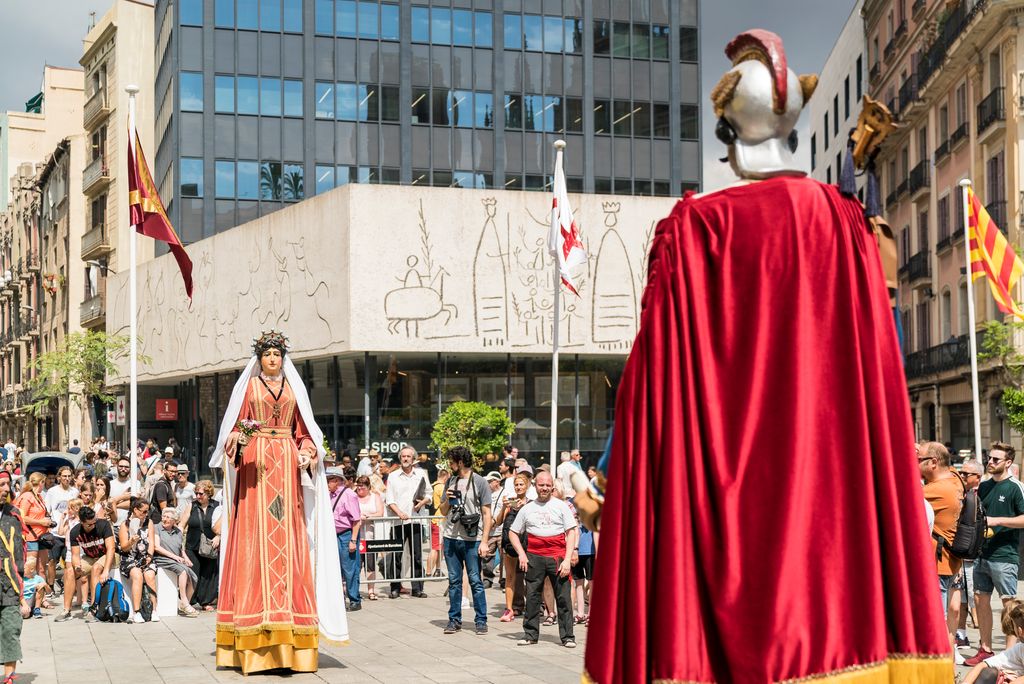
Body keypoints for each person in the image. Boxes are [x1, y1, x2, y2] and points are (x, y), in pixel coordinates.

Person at [584, 28, 952, 684]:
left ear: (727, 135)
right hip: (828, 531)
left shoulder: (690, 232)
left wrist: (614, 474)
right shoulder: (846, 227)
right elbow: (882, 367)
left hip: (711, 534)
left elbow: (646, 386)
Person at [210, 330, 346, 674]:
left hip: (285, 465)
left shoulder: (294, 391)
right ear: (259, 359)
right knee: (253, 543)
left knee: (290, 543)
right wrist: (239, 438)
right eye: (267, 355)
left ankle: (292, 641)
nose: (272, 359)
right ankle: (253, 640)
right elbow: (234, 430)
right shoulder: (250, 389)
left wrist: (308, 451)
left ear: (284, 358)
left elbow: (305, 431)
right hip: (256, 468)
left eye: (277, 354)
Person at [966, 442, 1024, 665]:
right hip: (982, 554)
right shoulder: (984, 486)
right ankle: (985, 649)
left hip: (1005, 555)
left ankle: (1010, 655)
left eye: (995, 459)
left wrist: (999, 521)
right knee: (980, 600)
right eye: (988, 458)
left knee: (1009, 604)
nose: (990, 462)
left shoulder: (1015, 487)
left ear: (1008, 463)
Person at [509, 471, 578, 648]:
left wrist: (568, 558)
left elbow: (571, 531)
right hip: (534, 557)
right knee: (532, 596)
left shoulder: (561, 506)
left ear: (552, 487)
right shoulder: (527, 508)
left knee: (563, 598)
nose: (545, 488)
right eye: (541, 485)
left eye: (548, 485)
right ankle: (530, 634)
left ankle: (568, 636)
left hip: (558, 556)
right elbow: (513, 532)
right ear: (535, 486)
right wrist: (522, 554)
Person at [438, 446, 492, 635]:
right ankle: (454, 620)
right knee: (454, 581)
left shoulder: (480, 482)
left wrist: (484, 541)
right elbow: (443, 510)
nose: (449, 465)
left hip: (472, 538)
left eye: (451, 462)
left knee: (476, 580)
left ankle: (481, 620)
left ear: (460, 462)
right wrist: (447, 499)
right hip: (451, 536)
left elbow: (487, 513)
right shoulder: (450, 481)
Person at [918, 441, 964, 663]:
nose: (915, 464)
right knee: (947, 623)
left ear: (934, 463)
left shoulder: (934, 491)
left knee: (935, 622)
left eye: (919, 460)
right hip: (952, 562)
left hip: (937, 565)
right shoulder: (956, 479)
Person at [384, 445, 431, 600]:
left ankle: (417, 588)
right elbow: (390, 499)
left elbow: (429, 495)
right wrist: (399, 513)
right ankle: (395, 587)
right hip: (397, 521)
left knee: (417, 555)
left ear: (413, 458)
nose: (405, 459)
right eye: (403, 456)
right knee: (396, 555)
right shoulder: (393, 476)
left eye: (408, 456)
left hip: (416, 520)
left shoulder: (421, 474)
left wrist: (422, 502)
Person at [55, 506, 115, 622]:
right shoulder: (75, 531)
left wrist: (106, 570)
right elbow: (75, 555)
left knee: (96, 568)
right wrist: (77, 567)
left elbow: (111, 548)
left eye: (94, 522)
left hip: (107, 556)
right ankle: (66, 610)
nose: (93, 525)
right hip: (89, 557)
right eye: (89, 524)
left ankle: (93, 609)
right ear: (82, 522)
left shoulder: (103, 524)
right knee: (69, 571)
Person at [495, 472, 530, 622]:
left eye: (521, 484)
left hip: (527, 545)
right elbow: (497, 522)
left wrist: (526, 507)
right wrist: (504, 508)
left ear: (527, 486)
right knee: (510, 577)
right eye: (516, 485)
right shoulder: (510, 504)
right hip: (509, 546)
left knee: (531, 578)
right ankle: (509, 609)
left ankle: (532, 607)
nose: (518, 487)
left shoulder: (531, 504)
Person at [181, 479, 221, 611]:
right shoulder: (191, 506)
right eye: (196, 493)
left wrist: (218, 536)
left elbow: (223, 526)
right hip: (192, 545)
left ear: (209, 493)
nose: (198, 496)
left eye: (201, 494)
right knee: (193, 573)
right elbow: (182, 524)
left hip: (211, 545)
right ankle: (189, 600)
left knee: (209, 574)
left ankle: (206, 601)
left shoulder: (217, 506)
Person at [958, 459, 985, 649]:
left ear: (977, 477)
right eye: (962, 472)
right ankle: (962, 635)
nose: (962, 476)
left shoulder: (982, 493)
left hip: (978, 556)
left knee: (977, 598)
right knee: (960, 600)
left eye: (966, 474)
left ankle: (985, 641)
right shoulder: (960, 493)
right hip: (962, 555)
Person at [327, 467, 363, 611]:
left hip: (347, 534)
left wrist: (353, 540)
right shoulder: (329, 495)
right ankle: (339, 598)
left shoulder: (349, 495)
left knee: (350, 569)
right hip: (334, 534)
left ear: (336, 480)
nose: (326, 483)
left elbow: (356, 520)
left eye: (328, 480)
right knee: (336, 568)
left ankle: (354, 600)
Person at [0, 472, 24, 683]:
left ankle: (9, 676)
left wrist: (21, 578)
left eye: (8, 484)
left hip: (9, 581)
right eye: (1, 484)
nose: (6, 489)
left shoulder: (14, 514)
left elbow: (19, 549)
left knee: (10, 626)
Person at [118, 498, 159, 623]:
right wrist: (131, 541)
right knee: (137, 575)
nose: (146, 514)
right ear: (135, 510)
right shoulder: (125, 525)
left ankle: (154, 610)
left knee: (150, 574)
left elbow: (151, 542)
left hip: (144, 557)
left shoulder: (149, 522)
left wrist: (150, 556)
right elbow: (124, 547)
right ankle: (136, 612)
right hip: (129, 557)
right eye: (144, 511)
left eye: (148, 511)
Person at [152, 507, 198, 617]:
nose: (165, 519)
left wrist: (186, 558)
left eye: (168, 517)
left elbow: (181, 550)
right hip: (162, 558)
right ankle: (184, 601)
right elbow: (156, 547)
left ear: (174, 520)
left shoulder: (178, 532)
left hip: (175, 560)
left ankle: (184, 603)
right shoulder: (156, 528)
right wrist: (175, 557)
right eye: (164, 516)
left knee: (194, 577)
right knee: (182, 571)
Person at [962, 601, 1024, 683]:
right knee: (988, 672)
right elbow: (982, 665)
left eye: (1013, 626)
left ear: (1019, 631)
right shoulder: (1020, 648)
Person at [13, 474, 50, 580]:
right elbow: (22, 518)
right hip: (30, 537)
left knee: (42, 568)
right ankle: (29, 594)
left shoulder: (39, 496)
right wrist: (41, 522)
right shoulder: (28, 496)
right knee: (30, 569)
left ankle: (42, 595)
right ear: (41, 482)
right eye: (44, 482)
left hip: (42, 537)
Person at [356, 474, 384, 599]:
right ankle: (354, 591)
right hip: (356, 537)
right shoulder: (353, 497)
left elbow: (380, 512)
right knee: (357, 565)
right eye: (358, 487)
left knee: (371, 565)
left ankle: (371, 590)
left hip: (371, 537)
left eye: (362, 487)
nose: (359, 490)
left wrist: (368, 516)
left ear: (368, 487)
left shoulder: (375, 497)